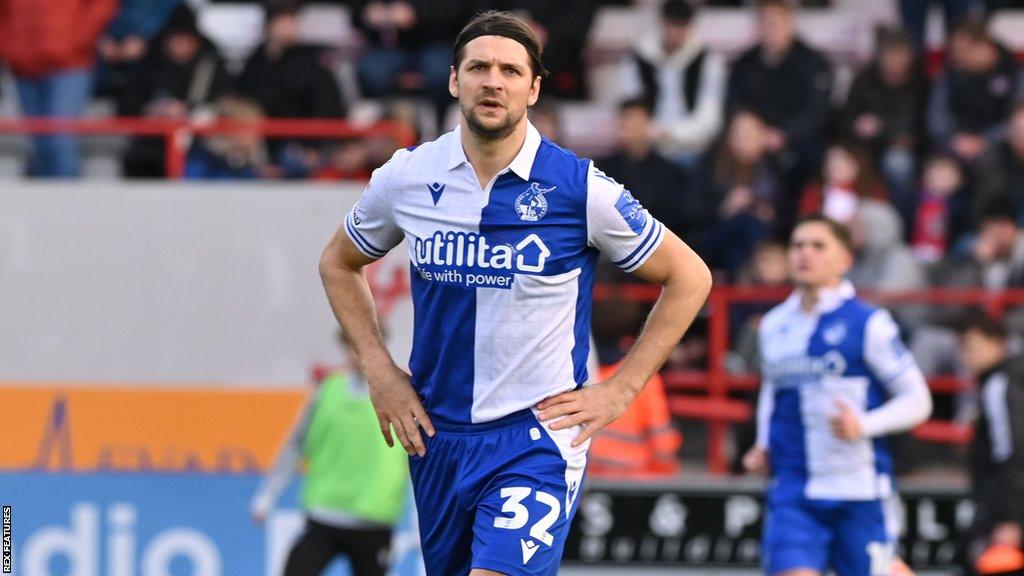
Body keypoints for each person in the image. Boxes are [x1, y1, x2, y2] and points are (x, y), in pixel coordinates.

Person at [318, 11, 712, 576]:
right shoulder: (406, 177)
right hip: (437, 435)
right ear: (454, 80)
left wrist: (622, 389)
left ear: (534, 88)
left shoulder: (581, 190)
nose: (493, 81)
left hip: (536, 438)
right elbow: (338, 262)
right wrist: (379, 370)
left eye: (510, 70)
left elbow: (690, 277)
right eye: (479, 67)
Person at [743, 214, 933, 576]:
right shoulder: (773, 325)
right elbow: (773, 389)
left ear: (845, 259)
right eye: (798, 245)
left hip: (858, 489)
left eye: (818, 246)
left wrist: (863, 424)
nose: (805, 254)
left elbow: (918, 401)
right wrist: (763, 443)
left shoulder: (869, 323)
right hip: (793, 490)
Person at [250, 330, 409, 576]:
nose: (358, 355)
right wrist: (267, 495)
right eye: (352, 345)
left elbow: (415, 459)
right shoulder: (327, 391)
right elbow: (296, 444)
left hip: (374, 519)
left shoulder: (399, 396)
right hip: (325, 514)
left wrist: (422, 520)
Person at [0, 0, 117, 177]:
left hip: (70, 63)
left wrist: (77, 41)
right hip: (23, 65)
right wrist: (10, 49)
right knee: (38, 143)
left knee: (60, 139)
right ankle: (43, 201)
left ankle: (67, 201)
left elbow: (101, 5)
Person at [725, 0, 833, 192]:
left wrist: (784, 133)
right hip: (752, 137)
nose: (770, 30)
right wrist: (753, 132)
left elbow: (816, 110)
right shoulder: (744, 64)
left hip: (798, 139)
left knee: (811, 157)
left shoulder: (813, 62)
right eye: (765, 23)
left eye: (775, 23)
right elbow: (734, 104)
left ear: (789, 24)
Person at [957, 314, 1024, 575]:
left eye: (971, 347)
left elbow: (1012, 451)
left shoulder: (999, 384)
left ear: (997, 343)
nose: (965, 356)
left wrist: (1008, 518)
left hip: (1008, 507)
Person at [619, 0, 726, 162]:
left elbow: (709, 115)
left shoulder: (706, 60)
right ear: (662, 23)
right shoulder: (640, 55)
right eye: (673, 25)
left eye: (683, 26)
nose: (677, 32)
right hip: (648, 146)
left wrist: (672, 134)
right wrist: (647, 131)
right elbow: (630, 102)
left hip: (692, 147)